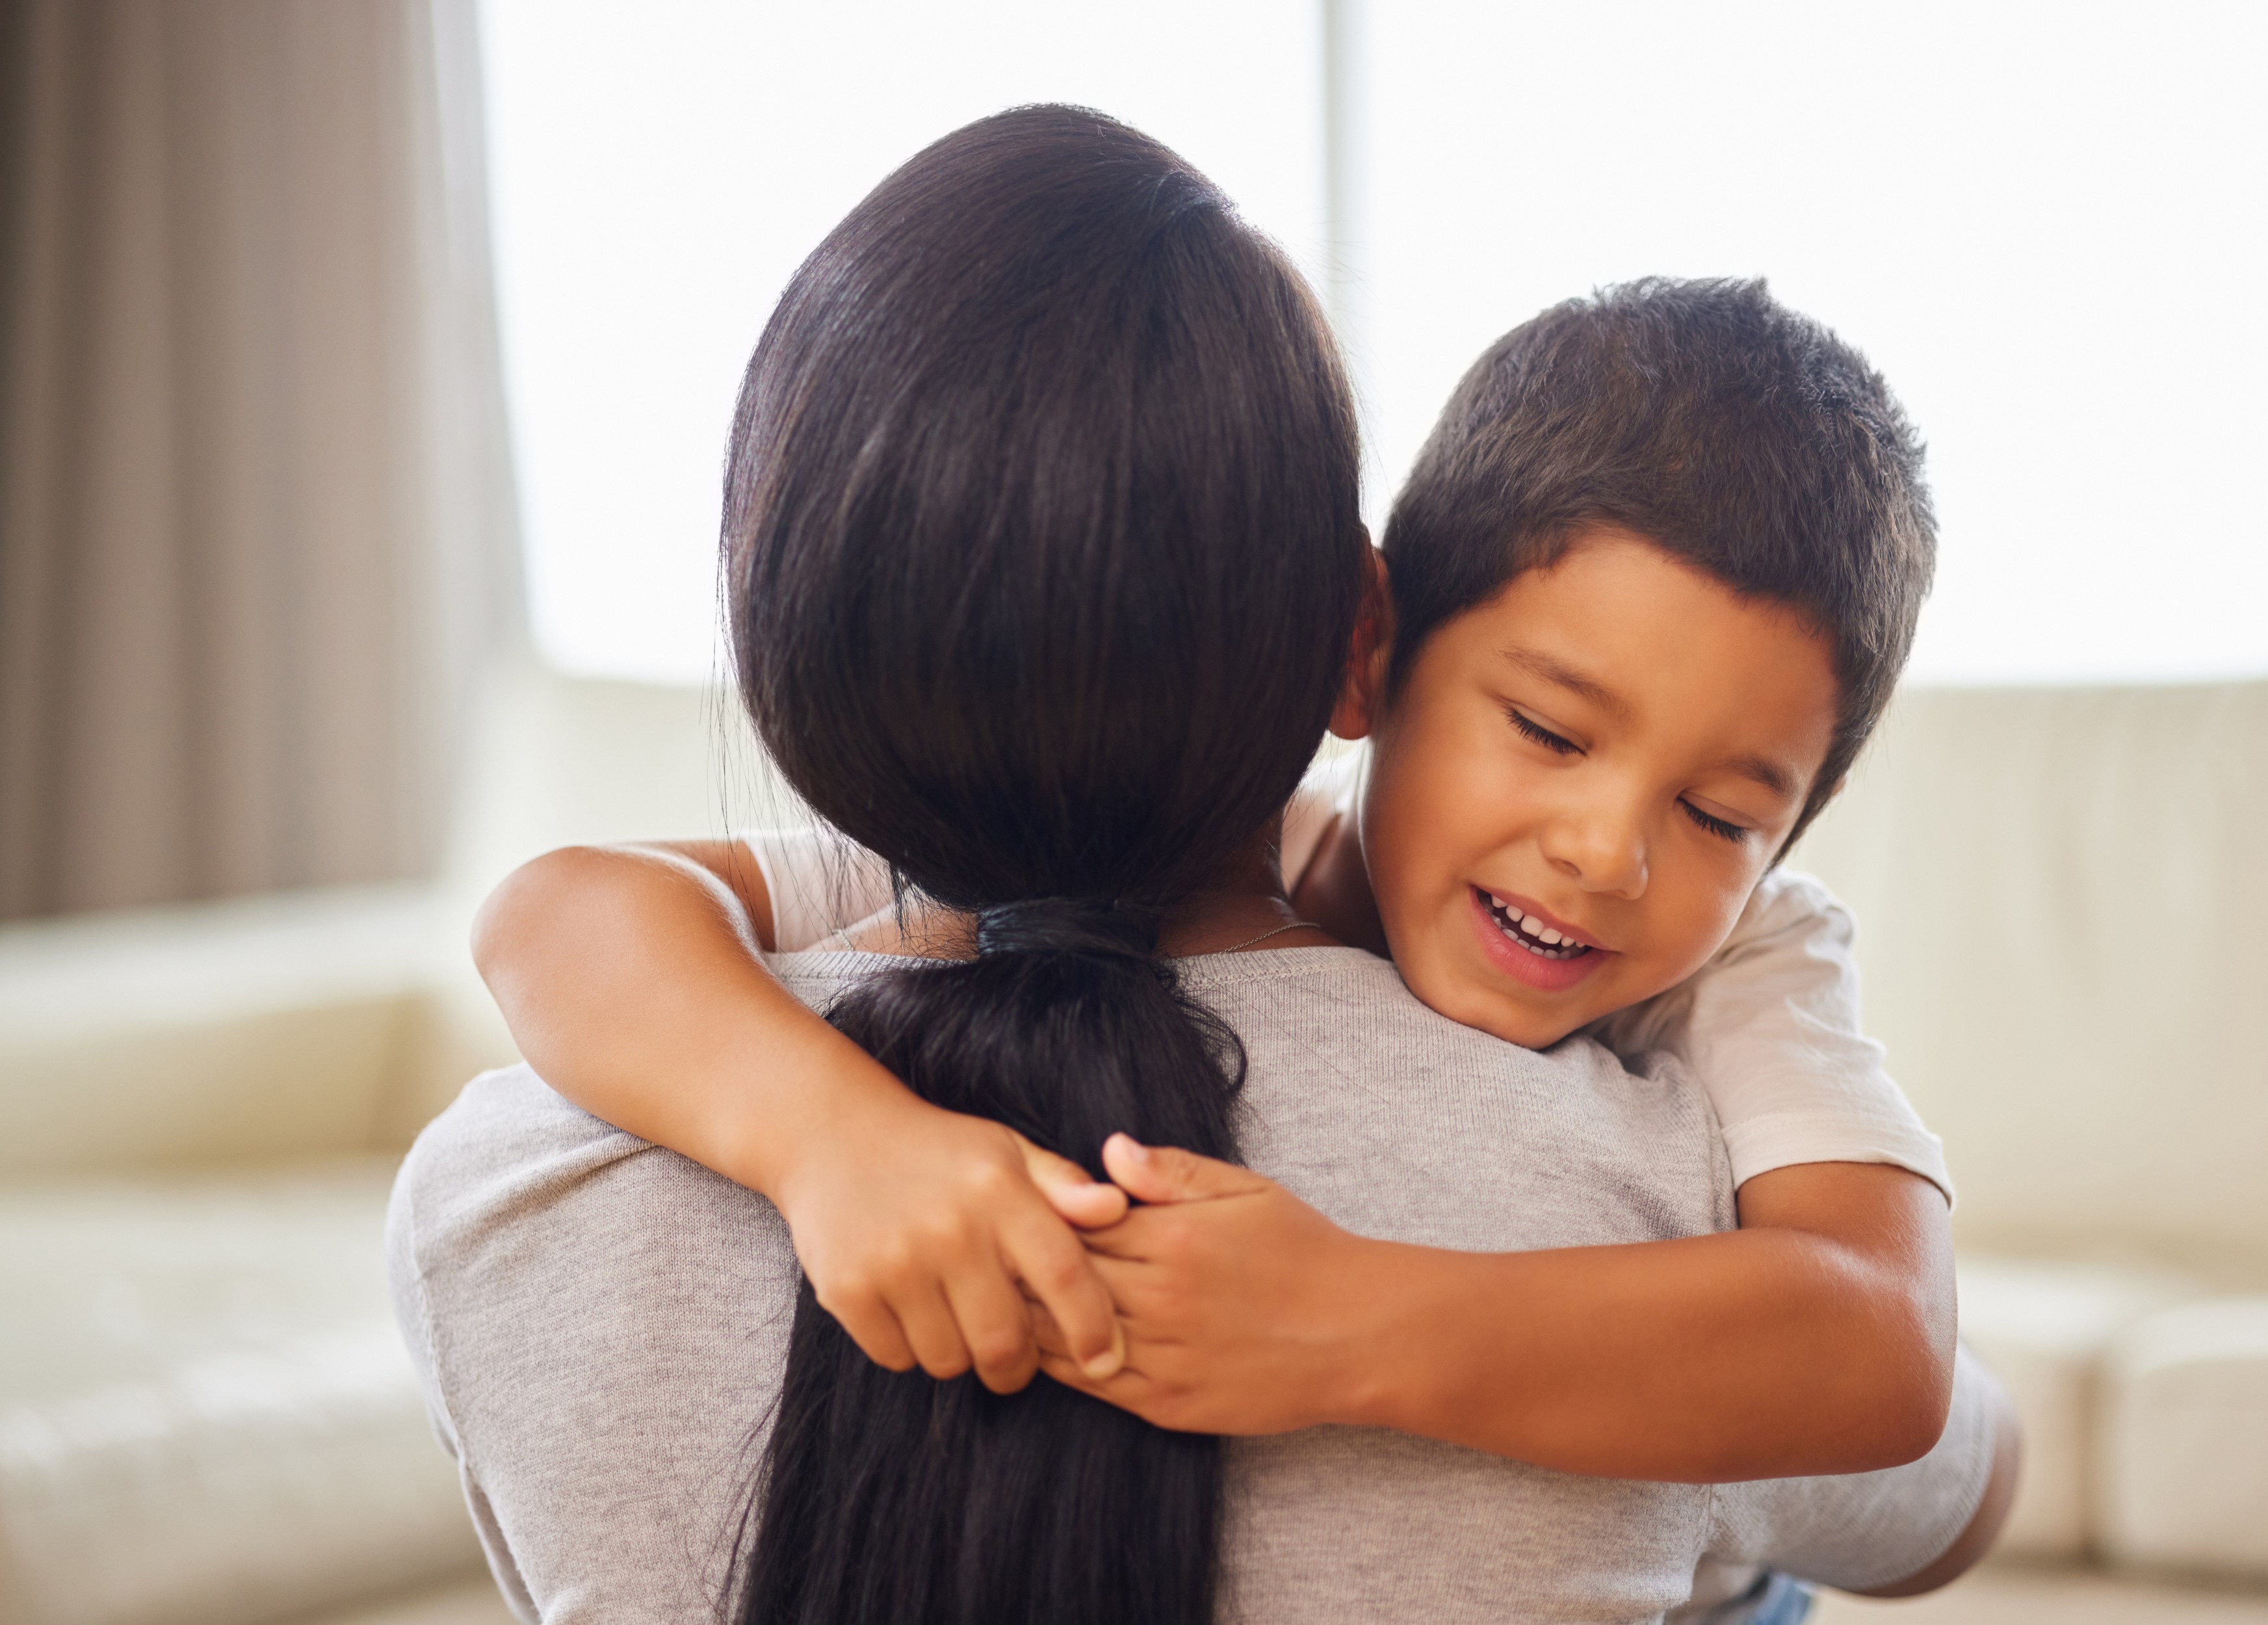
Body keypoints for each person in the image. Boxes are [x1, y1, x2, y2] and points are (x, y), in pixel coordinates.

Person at [395, 106, 2010, 1624]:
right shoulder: (1653, 1207)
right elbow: (554, 904)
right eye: (1541, 725)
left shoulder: (500, 1200)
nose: (1602, 851)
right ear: (1360, 646)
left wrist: (1356, 1315)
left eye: (1724, 815)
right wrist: (827, 1142)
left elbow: (1885, 1349)